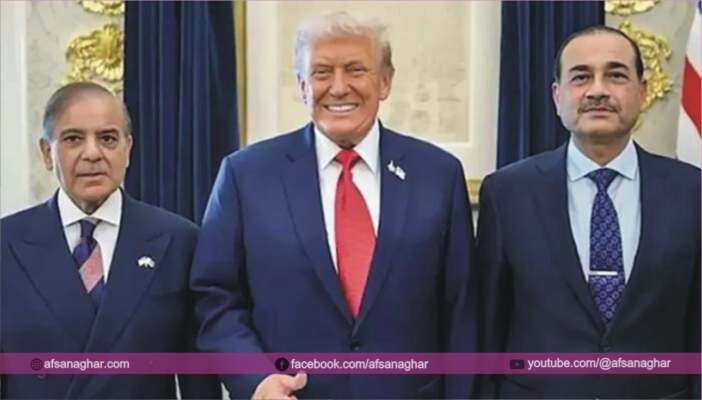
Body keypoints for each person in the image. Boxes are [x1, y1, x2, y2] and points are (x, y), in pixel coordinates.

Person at [191, 11, 476, 399]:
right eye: (322, 72)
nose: (339, 88)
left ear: (385, 81)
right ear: (302, 85)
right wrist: (256, 379)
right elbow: (215, 298)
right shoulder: (246, 176)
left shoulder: (438, 175)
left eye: (356, 70)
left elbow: (462, 312)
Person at [476, 25, 700, 399]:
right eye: (581, 77)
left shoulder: (692, 191)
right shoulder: (507, 193)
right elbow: (488, 324)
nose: (598, 90)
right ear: (557, 95)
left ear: (643, 91)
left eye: (616, 75)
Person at [0, 82, 221, 399]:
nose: (92, 153)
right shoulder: (7, 243)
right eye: (73, 139)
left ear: (127, 149)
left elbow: (199, 380)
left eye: (107, 138)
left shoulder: (178, 241)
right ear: (47, 153)